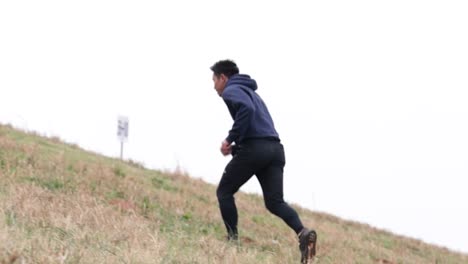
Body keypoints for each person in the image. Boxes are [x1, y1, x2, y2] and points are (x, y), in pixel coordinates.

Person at [210, 59, 317, 263]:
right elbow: (257, 125)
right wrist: (236, 148)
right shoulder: (252, 93)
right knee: (274, 202)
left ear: (223, 78)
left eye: (214, 80)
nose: (214, 86)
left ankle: (232, 241)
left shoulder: (231, 90)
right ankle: (303, 233)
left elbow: (246, 111)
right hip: (275, 150)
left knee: (224, 191)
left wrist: (229, 138)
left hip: (256, 149)